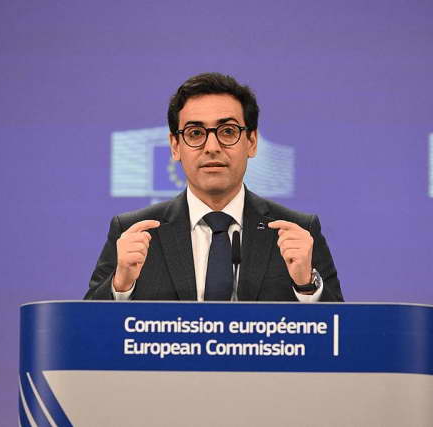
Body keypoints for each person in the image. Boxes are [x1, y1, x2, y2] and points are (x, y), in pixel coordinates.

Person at [85, 73, 343, 302]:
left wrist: (306, 286)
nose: (212, 147)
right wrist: (121, 285)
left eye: (228, 131)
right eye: (195, 133)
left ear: (252, 142)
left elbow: (341, 331)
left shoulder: (297, 231)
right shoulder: (134, 231)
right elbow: (86, 329)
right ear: (175, 146)